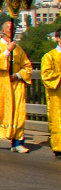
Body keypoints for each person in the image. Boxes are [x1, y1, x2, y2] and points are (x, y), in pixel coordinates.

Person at [0, 20, 32, 153]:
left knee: (18, 113)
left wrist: (18, 75)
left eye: (13, 28)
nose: (11, 30)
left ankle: (17, 142)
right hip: (1, 86)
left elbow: (27, 67)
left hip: (15, 86)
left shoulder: (19, 49)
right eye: (8, 28)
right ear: (3, 31)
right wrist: (7, 51)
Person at [40, 29, 61, 157]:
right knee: (58, 120)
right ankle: (58, 147)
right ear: (57, 38)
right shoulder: (50, 56)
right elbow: (46, 75)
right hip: (57, 95)